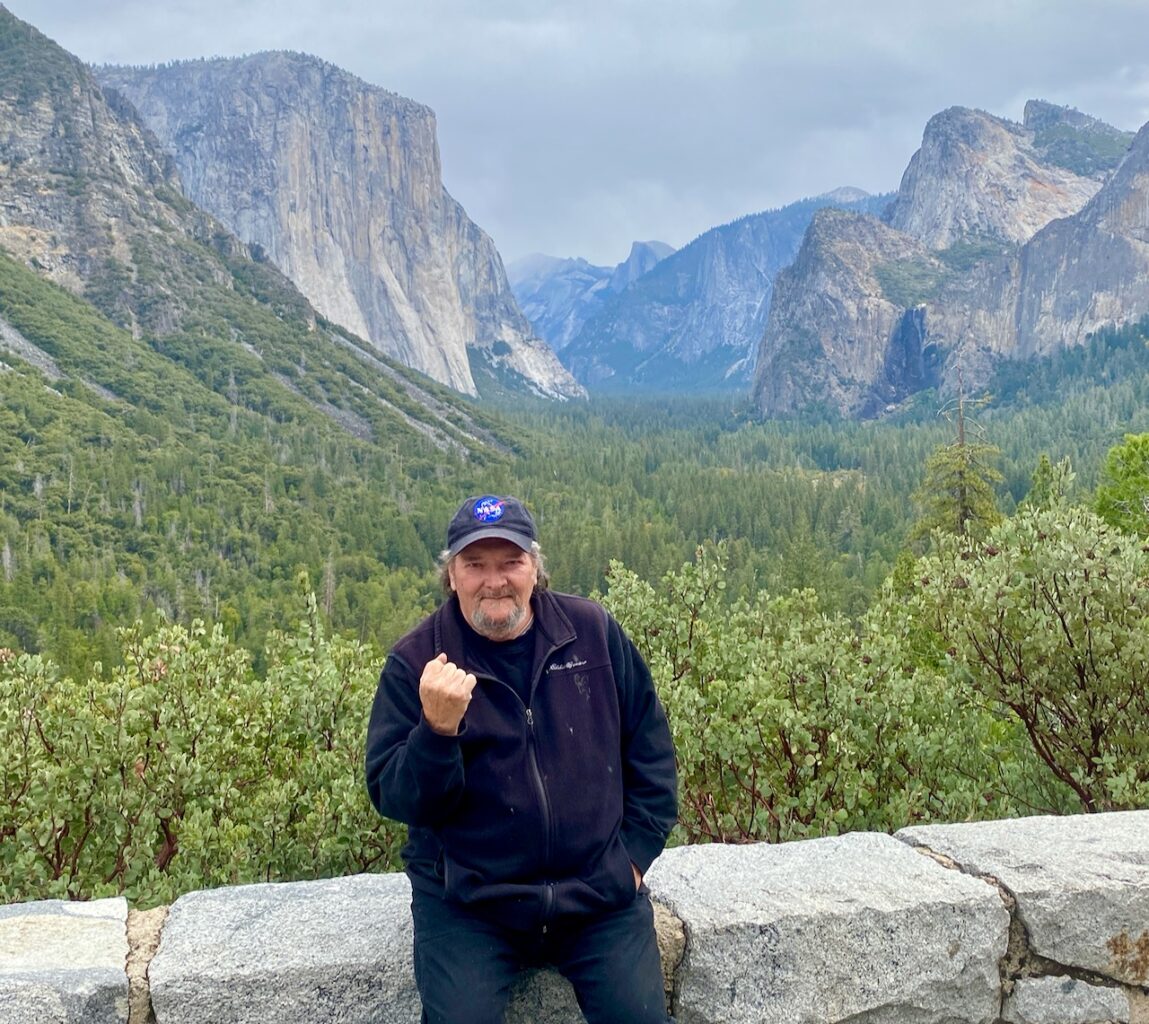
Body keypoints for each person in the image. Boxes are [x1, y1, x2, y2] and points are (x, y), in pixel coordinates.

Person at [366, 494, 678, 1024]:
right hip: (471, 908)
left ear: (534, 566)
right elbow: (395, 797)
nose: (495, 580)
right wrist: (436, 731)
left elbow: (651, 755)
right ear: (452, 576)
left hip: (597, 897)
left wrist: (629, 863)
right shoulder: (417, 662)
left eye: (510, 561)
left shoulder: (593, 634)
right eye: (475, 565)